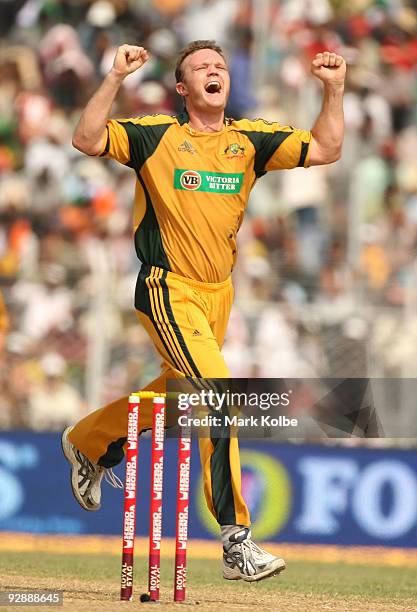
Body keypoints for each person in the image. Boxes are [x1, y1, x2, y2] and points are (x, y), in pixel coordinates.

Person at [62, 39, 345, 582]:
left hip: (219, 296)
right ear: (183, 88)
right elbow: (85, 137)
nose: (215, 72)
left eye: (220, 66)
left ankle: (88, 441)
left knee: (177, 398)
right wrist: (114, 77)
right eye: (201, 68)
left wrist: (333, 90)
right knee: (219, 394)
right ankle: (237, 540)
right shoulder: (156, 135)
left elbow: (327, 148)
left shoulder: (250, 140)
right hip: (168, 288)